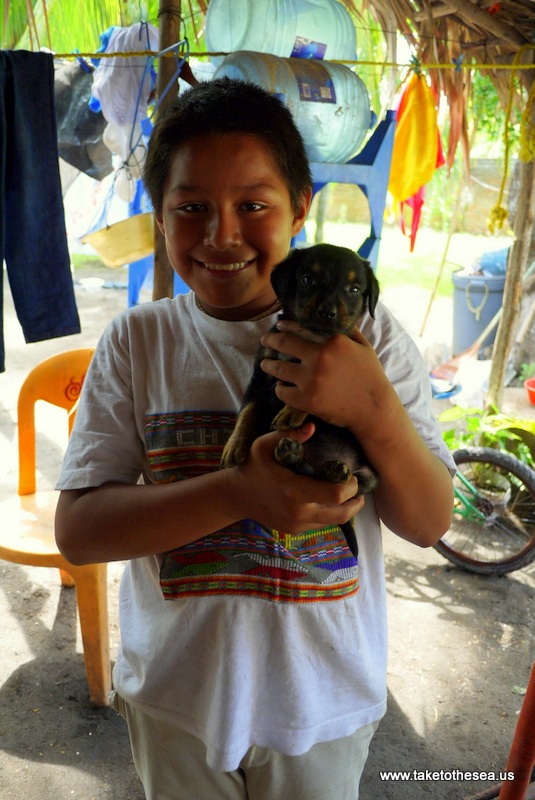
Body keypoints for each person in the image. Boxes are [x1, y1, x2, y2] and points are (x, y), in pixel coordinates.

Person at [55, 77, 454, 800]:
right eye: (191, 208)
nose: (221, 234)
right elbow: (79, 533)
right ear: (158, 212)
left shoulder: (375, 340)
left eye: (253, 206)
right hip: (176, 698)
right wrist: (238, 491)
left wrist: (376, 412)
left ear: (301, 209)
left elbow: (427, 523)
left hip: (322, 705)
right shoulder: (138, 343)